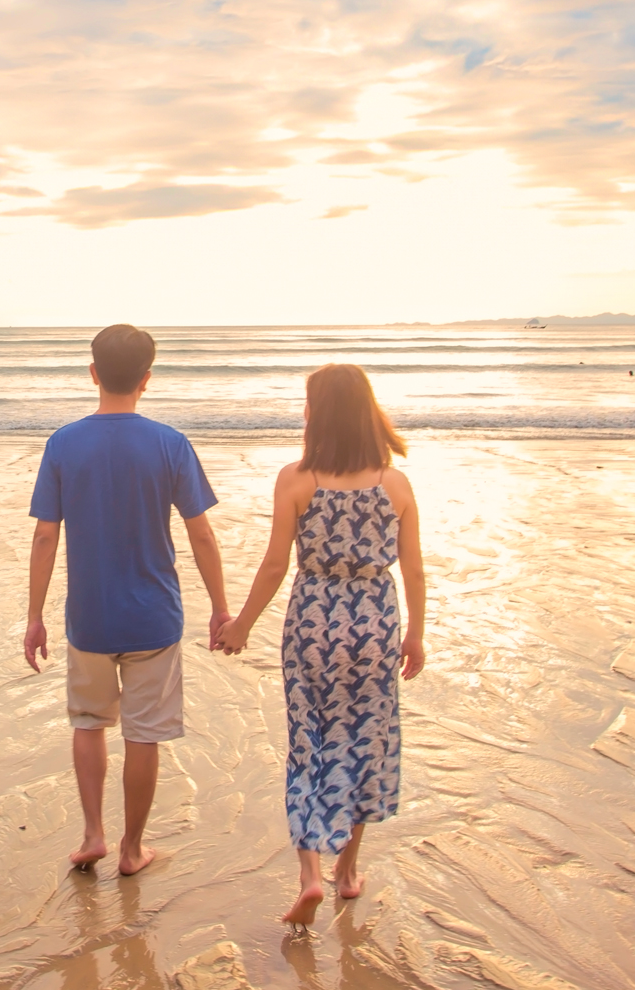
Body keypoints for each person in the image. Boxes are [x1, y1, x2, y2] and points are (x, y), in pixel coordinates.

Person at [217, 364, 426, 926]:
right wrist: (416, 635)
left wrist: (241, 624)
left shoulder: (296, 479)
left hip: (313, 621)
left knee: (309, 739)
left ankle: (310, 873)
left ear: (318, 413)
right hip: (375, 623)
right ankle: (348, 872)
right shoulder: (396, 484)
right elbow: (414, 572)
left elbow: (273, 566)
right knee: (364, 740)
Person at [25, 323, 229, 878]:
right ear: (147, 379)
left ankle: (93, 834)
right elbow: (201, 533)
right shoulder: (170, 443)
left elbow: (46, 535)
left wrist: (34, 616)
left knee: (88, 723)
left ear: (93, 374)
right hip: (153, 617)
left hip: (89, 616)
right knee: (144, 733)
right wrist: (220, 606)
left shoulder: (64, 443)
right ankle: (132, 849)